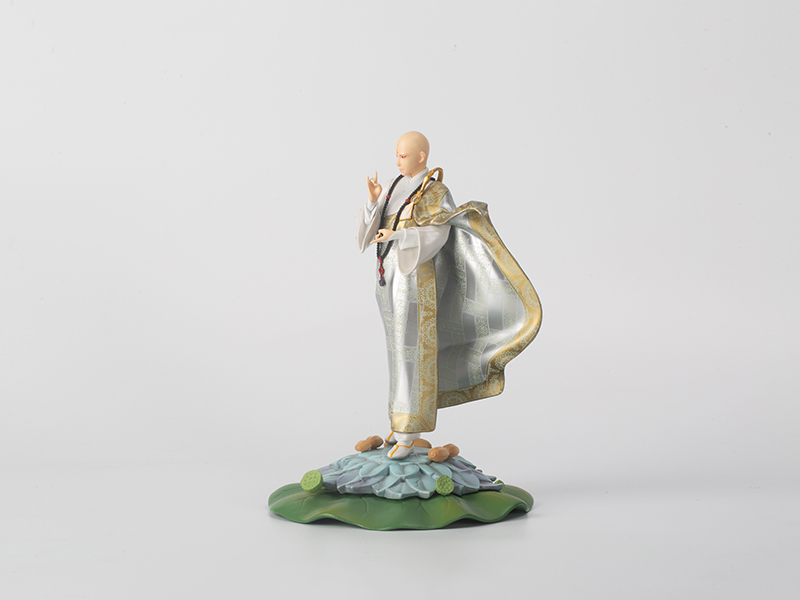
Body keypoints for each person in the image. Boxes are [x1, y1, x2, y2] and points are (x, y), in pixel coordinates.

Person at [355, 132, 542, 459]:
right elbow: (369, 232)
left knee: (413, 350)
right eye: (396, 154)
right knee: (396, 351)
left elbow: (437, 233)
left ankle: (408, 429)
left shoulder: (435, 192)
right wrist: (373, 201)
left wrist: (398, 235)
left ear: (421, 156)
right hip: (388, 278)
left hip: (415, 279)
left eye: (403, 155)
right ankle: (399, 421)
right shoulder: (394, 187)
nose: (397, 161)